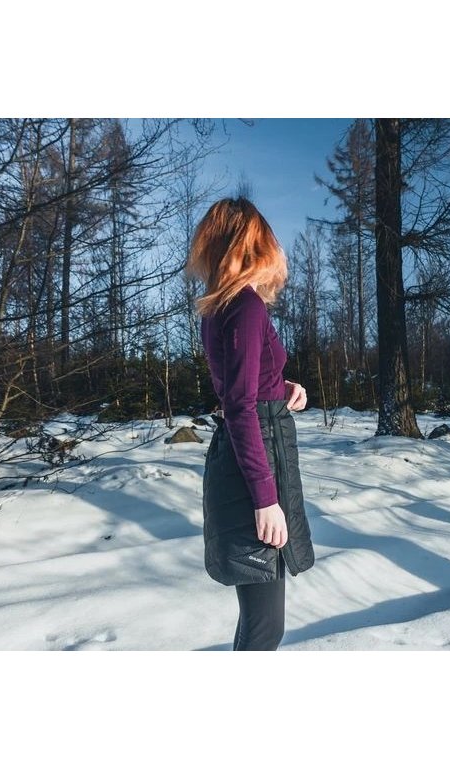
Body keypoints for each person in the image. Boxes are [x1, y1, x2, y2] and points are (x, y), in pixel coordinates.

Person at [185, 197, 316, 651]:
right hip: (254, 464)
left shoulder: (222, 306)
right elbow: (240, 405)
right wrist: (265, 499)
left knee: (260, 622)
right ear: (252, 245)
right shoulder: (244, 306)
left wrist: (283, 386)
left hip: (250, 451)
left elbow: (243, 386)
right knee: (265, 625)